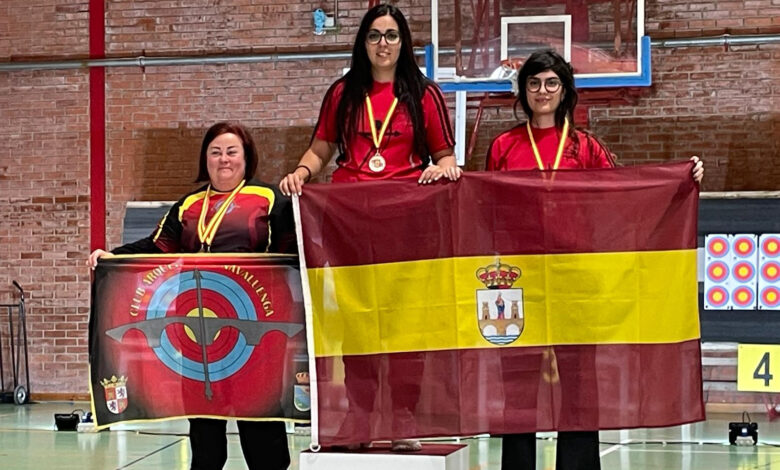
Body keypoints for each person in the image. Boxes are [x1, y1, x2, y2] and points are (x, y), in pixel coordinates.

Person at [485, 50, 703, 470]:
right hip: (520, 280)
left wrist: (682, 179)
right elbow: (486, 206)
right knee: (518, 387)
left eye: (551, 83)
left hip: (575, 278)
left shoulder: (585, 147)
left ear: (565, 90)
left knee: (580, 384)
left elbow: (622, 195)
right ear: (523, 91)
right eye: (533, 83)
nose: (542, 91)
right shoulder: (503, 146)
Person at [279, 4, 461, 452]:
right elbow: (321, 147)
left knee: (404, 326)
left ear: (404, 43)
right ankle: (360, 419)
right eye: (376, 35)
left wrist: (445, 170)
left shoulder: (423, 93)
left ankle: (402, 419)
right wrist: (302, 172)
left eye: (392, 35)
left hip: (406, 225)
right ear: (363, 43)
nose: (384, 44)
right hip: (349, 224)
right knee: (355, 325)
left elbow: (446, 157)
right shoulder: (344, 92)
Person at [88, 122, 295, 470]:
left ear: (247, 158)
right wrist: (113, 256)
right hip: (198, 332)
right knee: (204, 430)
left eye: (232, 151)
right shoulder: (188, 204)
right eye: (215, 152)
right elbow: (157, 247)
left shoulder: (270, 198)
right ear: (205, 159)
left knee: (261, 428)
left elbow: (291, 252)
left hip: (253, 333)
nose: (223, 159)